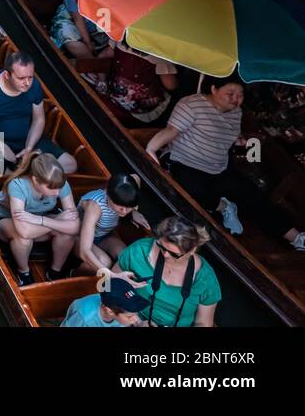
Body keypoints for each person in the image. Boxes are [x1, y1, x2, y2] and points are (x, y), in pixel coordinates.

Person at [146, 75, 305, 251]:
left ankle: (296, 238)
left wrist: (243, 143)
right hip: (185, 162)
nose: (236, 99)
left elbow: (228, 136)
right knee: (194, 190)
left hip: (218, 167)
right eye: (230, 93)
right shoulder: (191, 104)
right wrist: (151, 149)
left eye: (240, 95)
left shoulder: (236, 113)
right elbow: (171, 131)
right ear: (214, 89)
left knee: (254, 195)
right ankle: (223, 206)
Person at [0, 51, 78, 173]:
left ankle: (33, 179)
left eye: (30, 77)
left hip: (28, 139)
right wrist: (2, 147)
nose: (27, 83)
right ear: (6, 75)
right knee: (2, 172)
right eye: (21, 78)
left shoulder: (34, 86)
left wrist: (29, 147)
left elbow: (39, 119)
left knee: (70, 164)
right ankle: (30, 179)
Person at [0, 152, 80, 286]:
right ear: (35, 180)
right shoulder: (17, 185)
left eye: (59, 188)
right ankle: (23, 272)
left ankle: (54, 272)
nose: (57, 193)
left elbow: (75, 227)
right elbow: (24, 231)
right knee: (23, 239)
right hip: (5, 220)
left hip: (39, 217)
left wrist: (41, 220)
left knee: (67, 233)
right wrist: (58, 220)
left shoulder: (60, 184)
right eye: (51, 189)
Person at [113, 216, 220, 326]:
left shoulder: (206, 278)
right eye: (161, 247)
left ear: (193, 250)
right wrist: (136, 321)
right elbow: (109, 284)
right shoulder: (139, 251)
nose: (165, 255)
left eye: (174, 254)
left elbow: (203, 323)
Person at [77, 173, 151, 278]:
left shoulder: (128, 194)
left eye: (128, 206)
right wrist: (112, 275)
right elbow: (84, 251)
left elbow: (136, 177)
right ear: (107, 194)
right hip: (79, 237)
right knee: (104, 261)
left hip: (104, 235)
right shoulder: (95, 206)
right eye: (120, 205)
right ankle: (74, 275)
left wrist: (133, 210)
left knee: (126, 257)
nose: (124, 211)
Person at [60, 276, 149, 328]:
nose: (136, 319)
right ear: (109, 311)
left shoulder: (117, 307)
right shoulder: (84, 318)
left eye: (136, 314)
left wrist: (141, 324)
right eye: (130, 317)